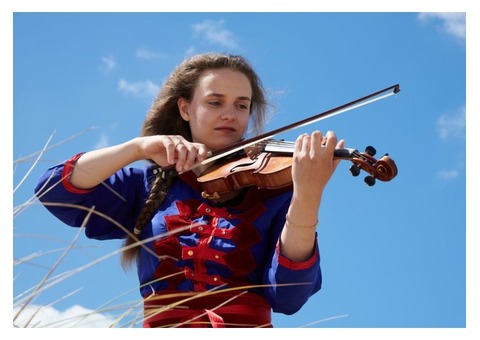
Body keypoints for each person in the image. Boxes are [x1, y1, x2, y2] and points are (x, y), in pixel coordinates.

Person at [34, 53, 344, 328]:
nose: (230, 114)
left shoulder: (275, 190)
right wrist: (136, 148)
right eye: (214, 102)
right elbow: (52, 190)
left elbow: (289, 297)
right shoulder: (148, 183)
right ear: (184, 108)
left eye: (241, 105)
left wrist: (308, 194)